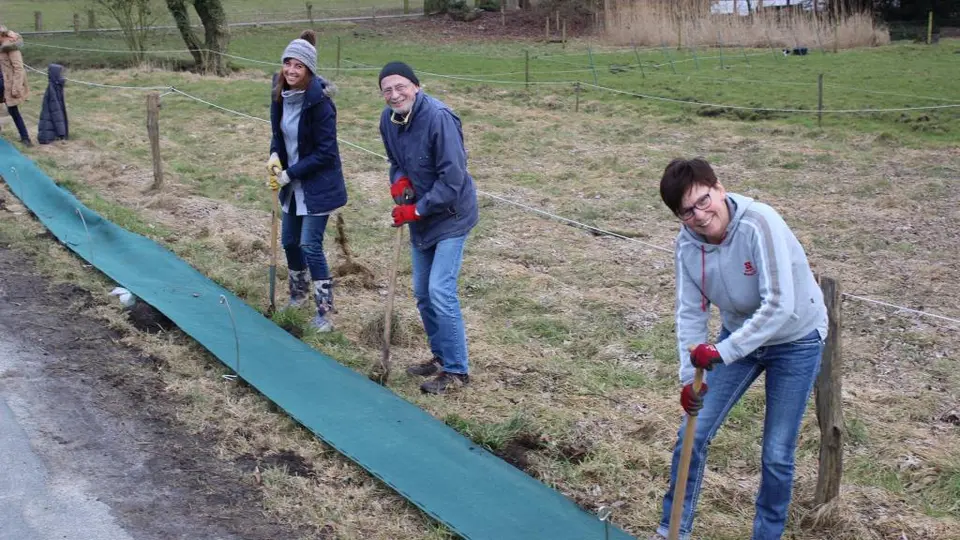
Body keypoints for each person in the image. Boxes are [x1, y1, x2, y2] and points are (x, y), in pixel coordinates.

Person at [650, 157, 827, 540]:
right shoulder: (687, 246)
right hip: (739, 337)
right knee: (691, 434)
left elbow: (780, 305)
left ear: (719, 188)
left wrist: (722, 351)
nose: (699, 215)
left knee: (776, 453)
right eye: (686, 212)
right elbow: (690, 312)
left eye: (703, 200)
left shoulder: (759, 223)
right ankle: (672, 530)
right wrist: (689, 378)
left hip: (795, 340)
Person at [377, 62, 479, 395]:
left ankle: (456, 372)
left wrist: (416, 209)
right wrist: (399, 182)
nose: (395, 95)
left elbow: (453, 179)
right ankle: (440, 356)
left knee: (440, 290)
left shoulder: (439, 119)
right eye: (387, 90)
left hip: (450, 215)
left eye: (400, 87)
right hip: (421, 218)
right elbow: (396, 162)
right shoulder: (388, 120)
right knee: (422, 292)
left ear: (416, 86)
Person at [266, 30, 347, 332]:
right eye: (288, 63)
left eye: (298, 66)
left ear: (309, 70)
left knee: (309, 245)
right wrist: (274, 157)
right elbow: (278, 134)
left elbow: (326, 153)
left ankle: (324, 312)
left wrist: (290, 174)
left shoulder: (321, 104)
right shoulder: (279, 93)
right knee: (289, 241)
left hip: (317, 185)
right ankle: (297, 295)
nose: (291, 70)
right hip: (290, 183)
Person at [0, 25, 33, 147]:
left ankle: (26, 138)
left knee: (13, 111)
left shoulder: (11, 47)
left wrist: (16, 88)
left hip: (7, 83)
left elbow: (19, 69)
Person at [37, 63, 68, 144]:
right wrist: (62, 133)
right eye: (60, 74)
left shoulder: (56, 86)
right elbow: (56, 112)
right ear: (56, 74)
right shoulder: (52, 89)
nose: (62, 76)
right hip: (48, 134)